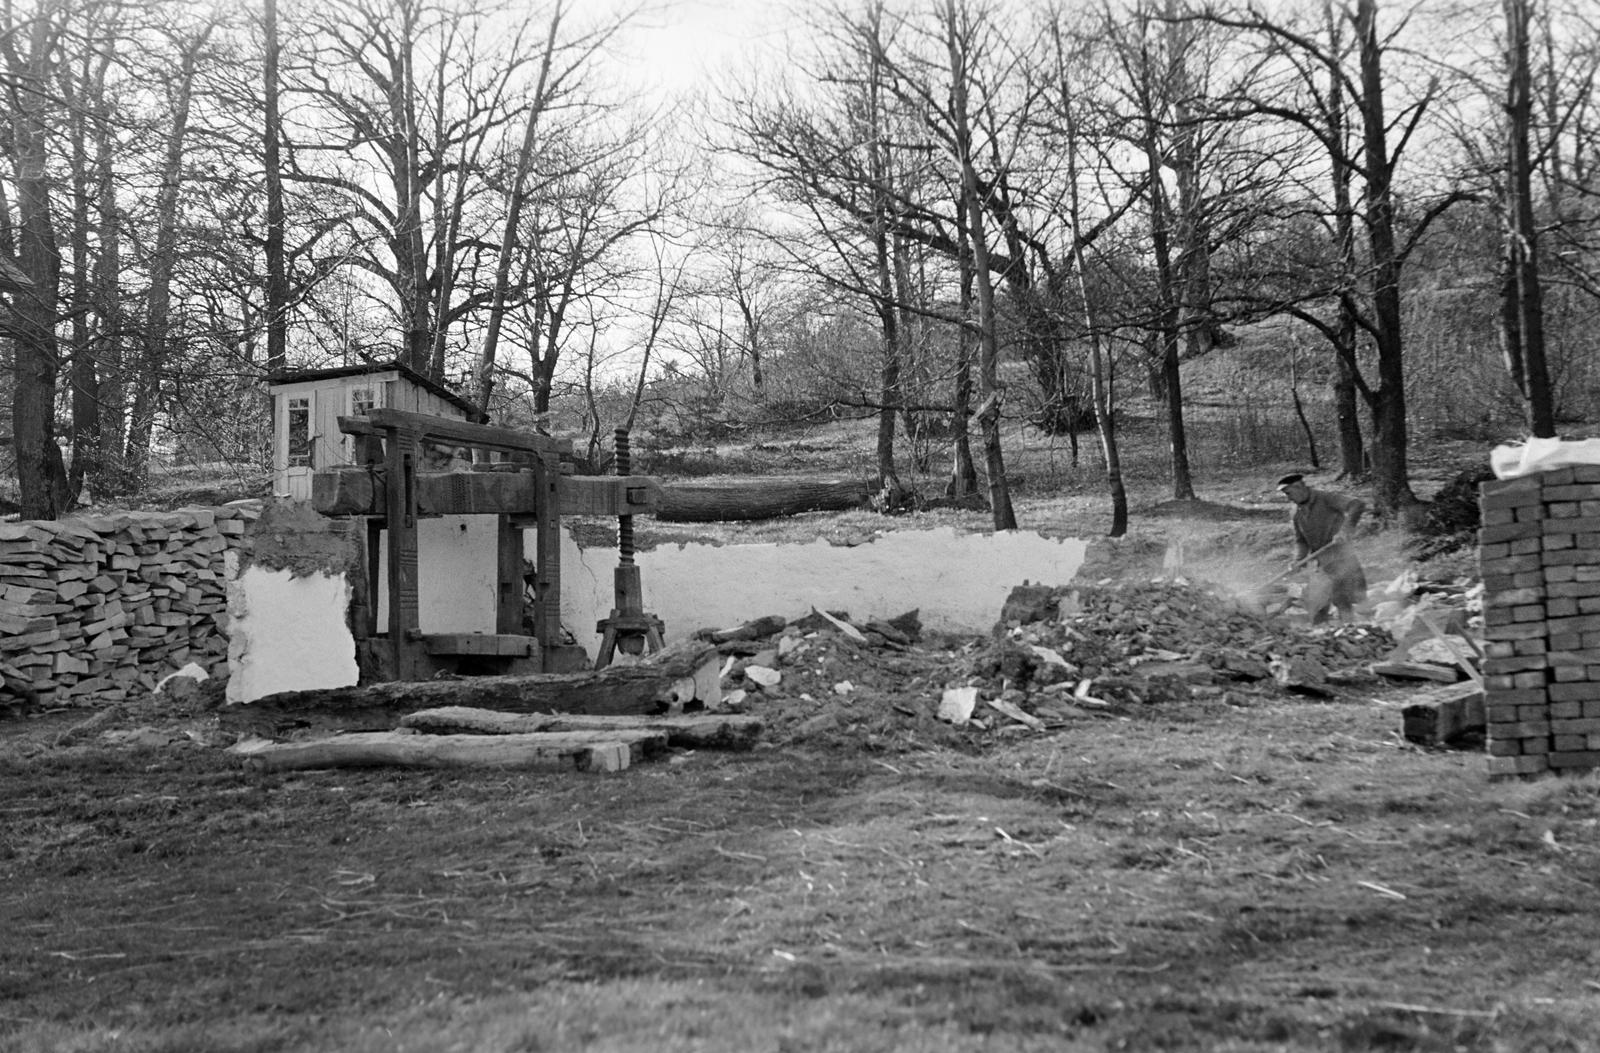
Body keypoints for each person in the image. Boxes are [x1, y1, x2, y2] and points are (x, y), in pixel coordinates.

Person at [1276, 472, 1368, 624]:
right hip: (1322, 563)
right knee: (1317, 602)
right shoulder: (1296, 512)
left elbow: (1357, 504)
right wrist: (1298, 560)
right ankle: (1321, 636)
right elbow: (1301, 541)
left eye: (1289, 493)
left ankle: (1349, 631)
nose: (1288, 498)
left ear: (1299, 487)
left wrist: (1345, 530)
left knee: (1342, 598)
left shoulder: (1326, 498)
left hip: (1342, 558)